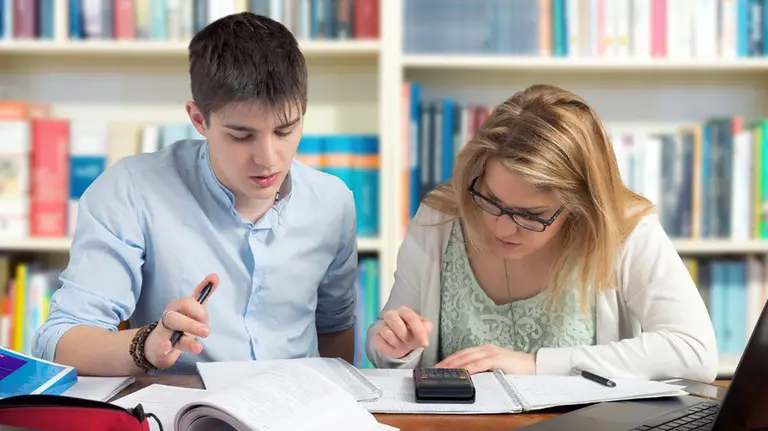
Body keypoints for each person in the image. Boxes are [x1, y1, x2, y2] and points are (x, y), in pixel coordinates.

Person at [32, 12, 358, 376]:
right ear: (199, 119)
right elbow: (58, 342)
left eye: (285, 131)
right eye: (241, 135)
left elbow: (335, 330)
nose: (268, 159)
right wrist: (146, 345)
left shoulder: (333, 203)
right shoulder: (131, 190)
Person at [365, 84, 718, 383]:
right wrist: (398, 347)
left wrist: (538, 366)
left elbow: (694, 350)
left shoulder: (624, 230)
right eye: (490, 200)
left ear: (581, 205)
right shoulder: (440, 219)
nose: (502, 227)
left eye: (530, 215)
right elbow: (388, 347)